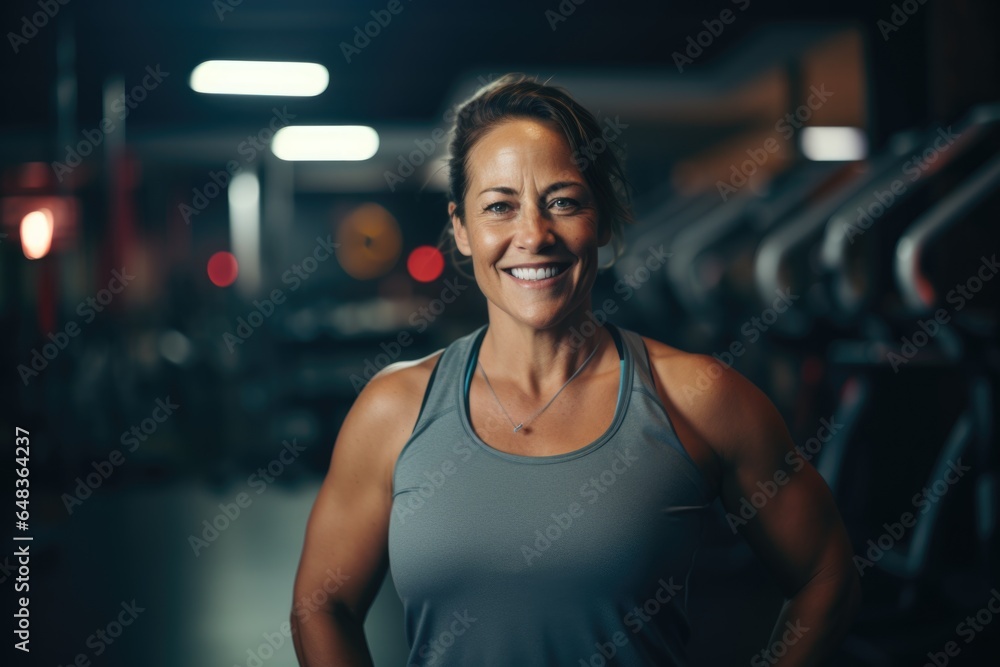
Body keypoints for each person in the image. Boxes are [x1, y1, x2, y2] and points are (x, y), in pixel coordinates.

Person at [290, 73, 861, 666]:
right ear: (462, 228)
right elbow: (320, 607)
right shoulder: (394, 410)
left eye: (563, 202)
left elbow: (827, 574)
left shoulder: (697, 398)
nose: (533, 235)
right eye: (499, 207)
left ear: (603, 222)